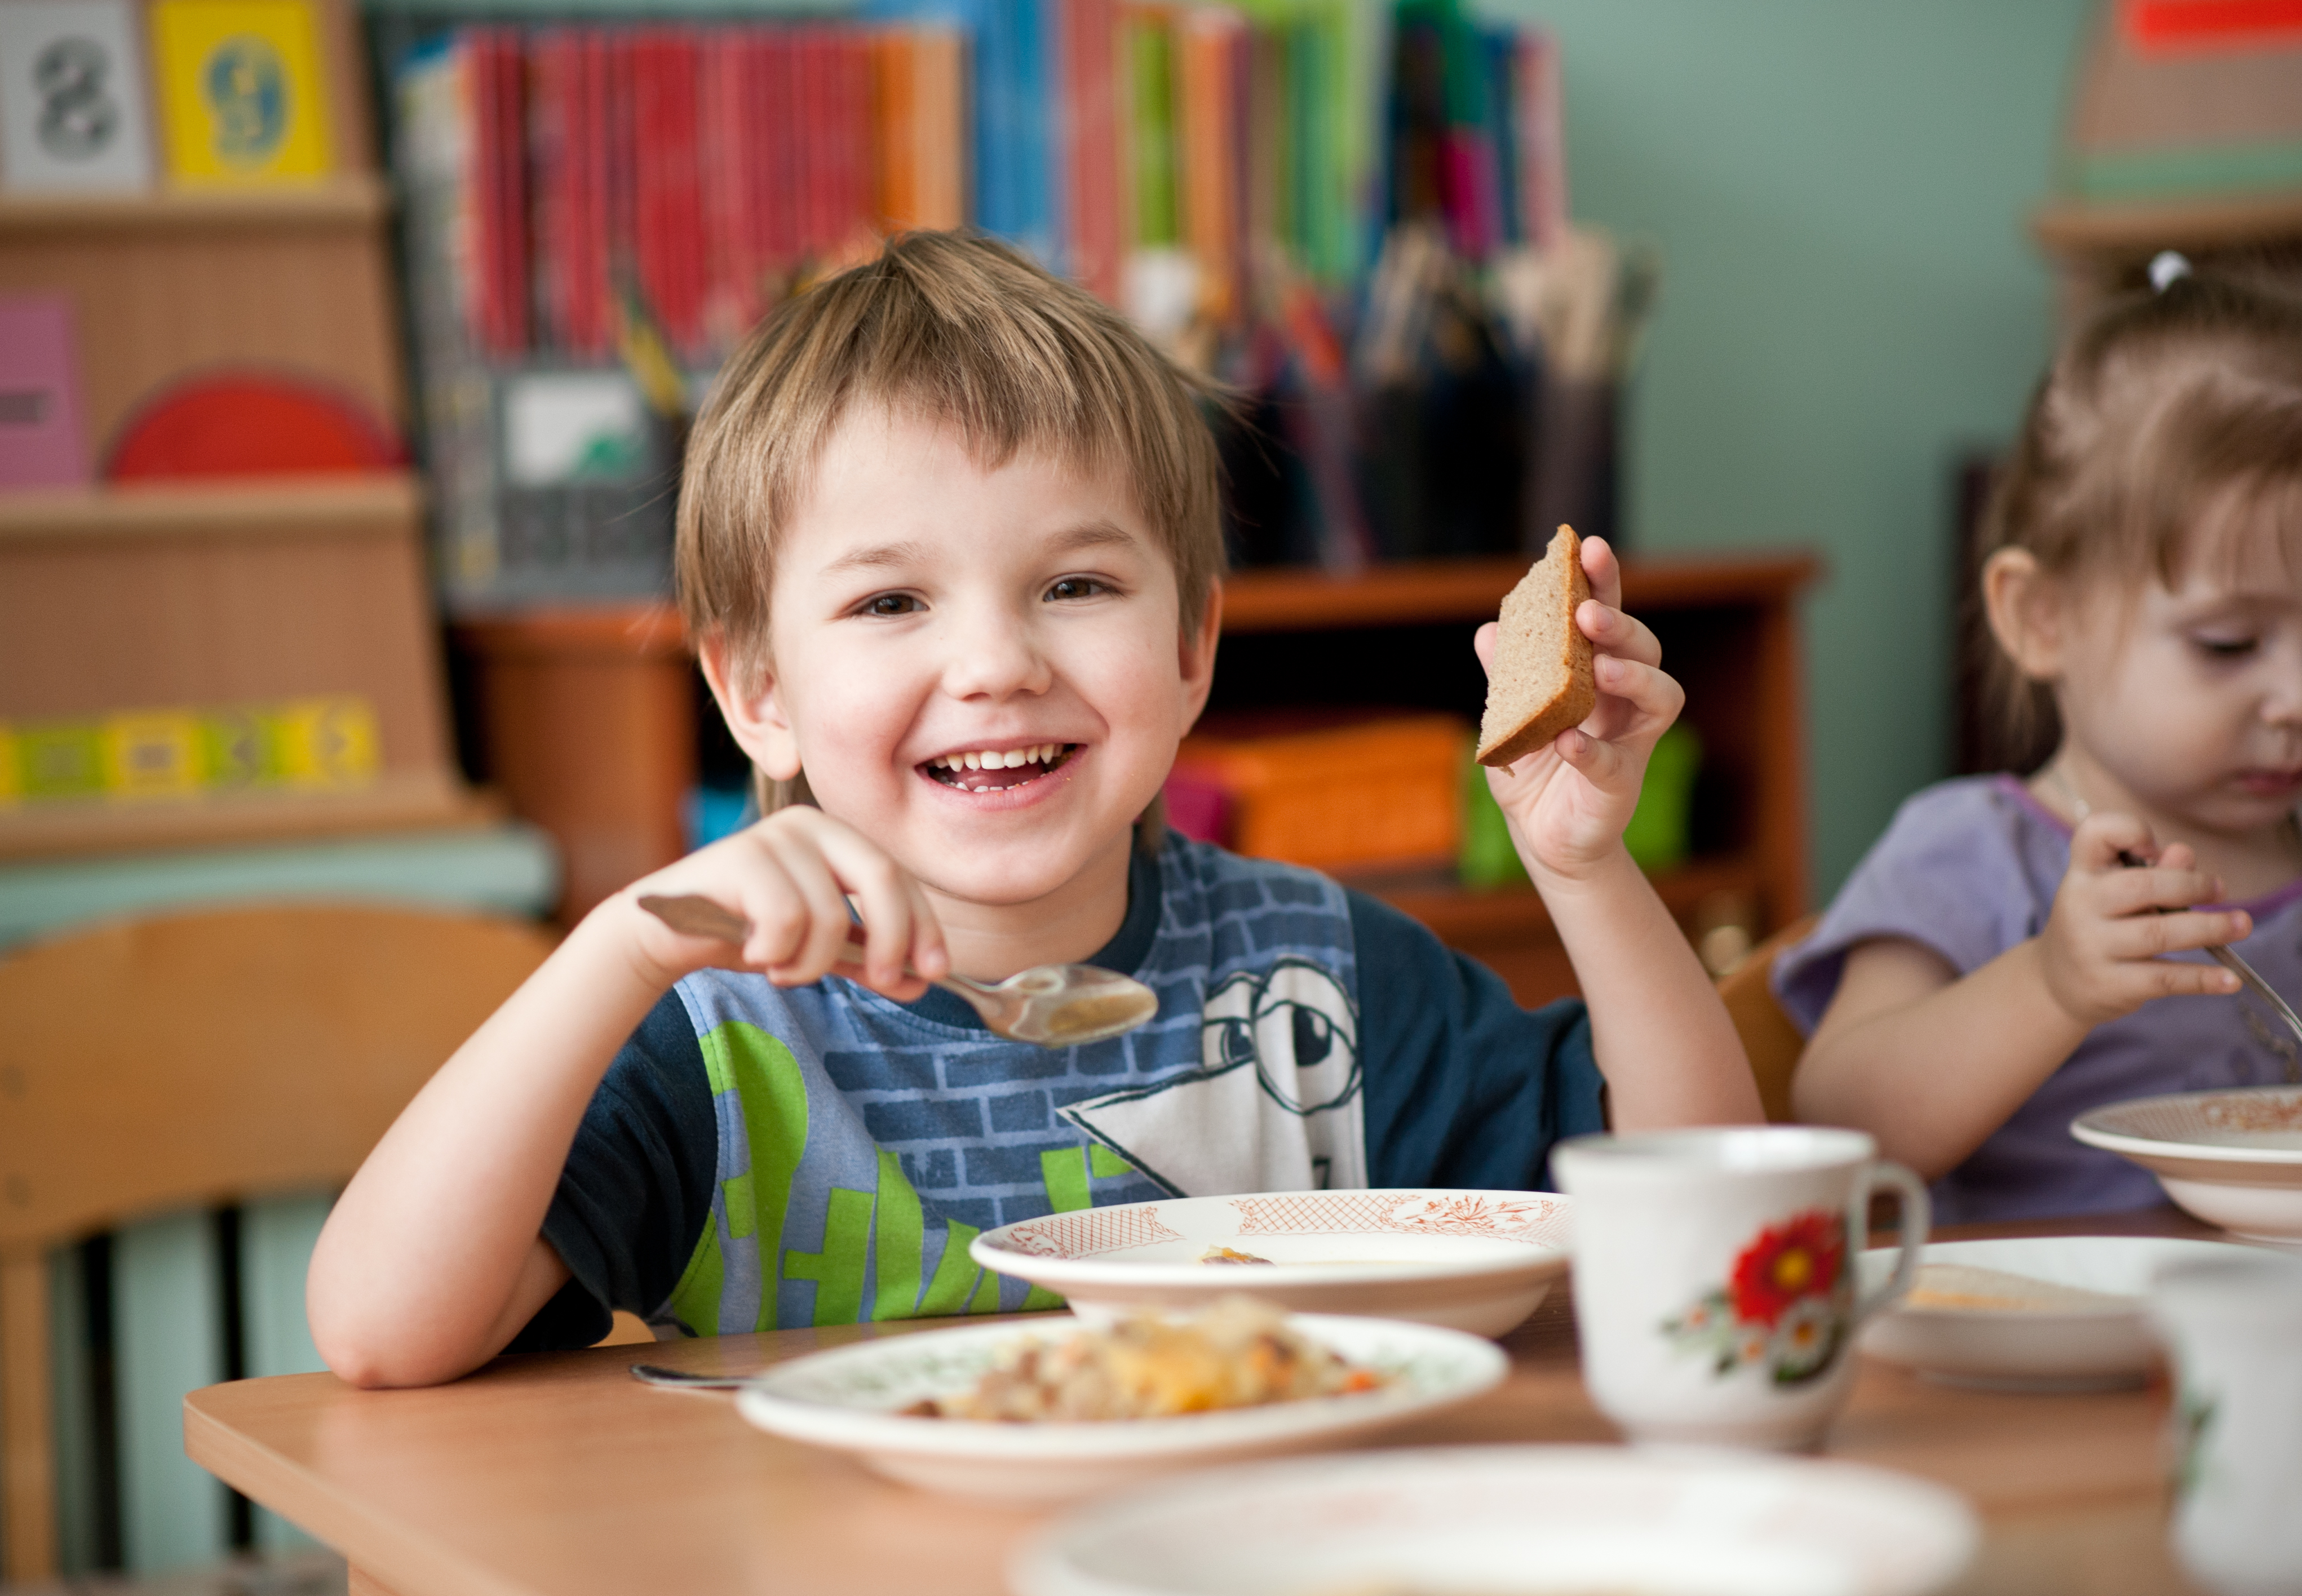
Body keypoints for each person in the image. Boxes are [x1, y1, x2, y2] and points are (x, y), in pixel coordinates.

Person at [308, 230, 1758, 1387]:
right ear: (757, 690)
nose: (997, 666)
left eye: (1074, 586)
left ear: (1191, 650)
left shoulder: (1324, 981)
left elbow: (1697, 1220)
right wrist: (621, 948)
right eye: (890, 601)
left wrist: (1582, 871)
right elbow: (378, 1333)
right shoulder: (717, 1037)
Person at [1778, 261, 2302, 1223]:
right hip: (2046, 1346)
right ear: (2041, 616)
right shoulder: (1972, 854)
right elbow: (1838, 1121)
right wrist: (2052, 986)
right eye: (2228, 644)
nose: (2295, 698)